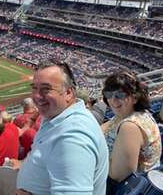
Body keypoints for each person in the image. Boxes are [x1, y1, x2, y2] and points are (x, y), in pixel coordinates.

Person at [15, 59, 109, 195]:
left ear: (68, 93)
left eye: (46, 89)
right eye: (34, 88)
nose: (36, 95)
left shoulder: (73, 138)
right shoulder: (57, 115)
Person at [101, 71, 162, 184]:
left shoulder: (130, 127)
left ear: (134, 97)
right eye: (108, 94)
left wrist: (92, 158)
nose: (113, 100)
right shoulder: (132, 113)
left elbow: (117, 175)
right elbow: (106, 126)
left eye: (120, 95)